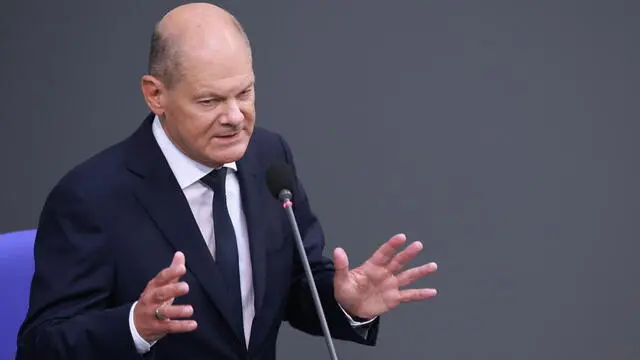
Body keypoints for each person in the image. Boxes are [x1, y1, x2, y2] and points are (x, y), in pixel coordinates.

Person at [15, 3, 438, 360]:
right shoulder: (91, 197)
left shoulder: (269, 157)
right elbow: (40, 345)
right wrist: (135, 326)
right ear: (155, 95)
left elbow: (296, 284)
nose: (235, 117)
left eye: (245, 93)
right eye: (210, 100)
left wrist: (344, 303)